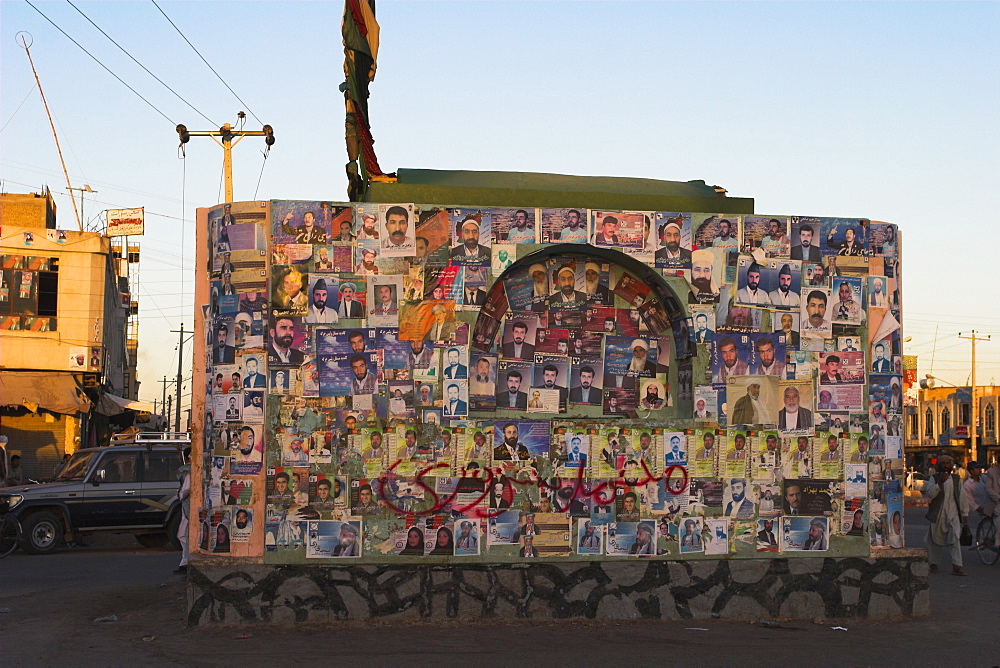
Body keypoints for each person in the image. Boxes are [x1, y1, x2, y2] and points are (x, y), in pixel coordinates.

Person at [924, 455, 969, 576]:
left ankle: (957, 566)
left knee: (955, 538)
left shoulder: (955, 479)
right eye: (943, 463)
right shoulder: (934, 478)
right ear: (939, 465)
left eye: (947, 463)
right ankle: (933, 564)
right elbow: (930, 494)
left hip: (952, 514)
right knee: (934, 540)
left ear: (951, 465)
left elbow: (962, 497)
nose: (945, 465)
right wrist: (940, 483)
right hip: (938, 514)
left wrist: (965, 514)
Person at [174, 452, 191, 574]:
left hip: (188, 505)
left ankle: (186, 562)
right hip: (188, 506)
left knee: (183, 534)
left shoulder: (188, 472)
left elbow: (185, 490)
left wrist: (180, 495)